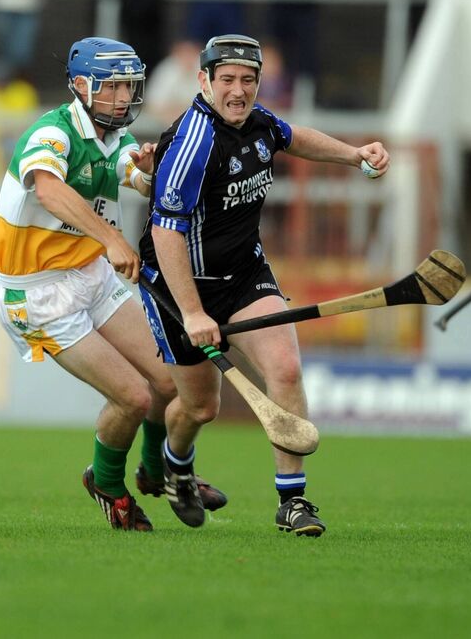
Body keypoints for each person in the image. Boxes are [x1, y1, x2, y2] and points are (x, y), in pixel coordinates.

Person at [137, 34, 390, 535]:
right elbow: (167, 232)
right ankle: (176, 466)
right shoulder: (194, 143)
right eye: (226, 80)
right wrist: (191, 312)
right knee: (199, 407)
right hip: (179, 286)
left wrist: (354, 154)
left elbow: (293, 137)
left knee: (287, 369)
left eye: (247, 81)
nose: (238, 90)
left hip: (246, 274)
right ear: (204, 80)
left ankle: (292, 502)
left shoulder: (258, 123)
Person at [0, 36, 226, 531]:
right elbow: (51, 190)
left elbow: (128, 172)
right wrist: (112, 240)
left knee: (166, 380)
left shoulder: (113, 136)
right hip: (38, 294)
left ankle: (154, 470)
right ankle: (107, 484)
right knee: (134, 397)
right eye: (111, 86)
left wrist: (147, 172)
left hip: (90, 276)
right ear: (80, 85)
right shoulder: (50, 135)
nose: (122, 96)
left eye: (128, 86)